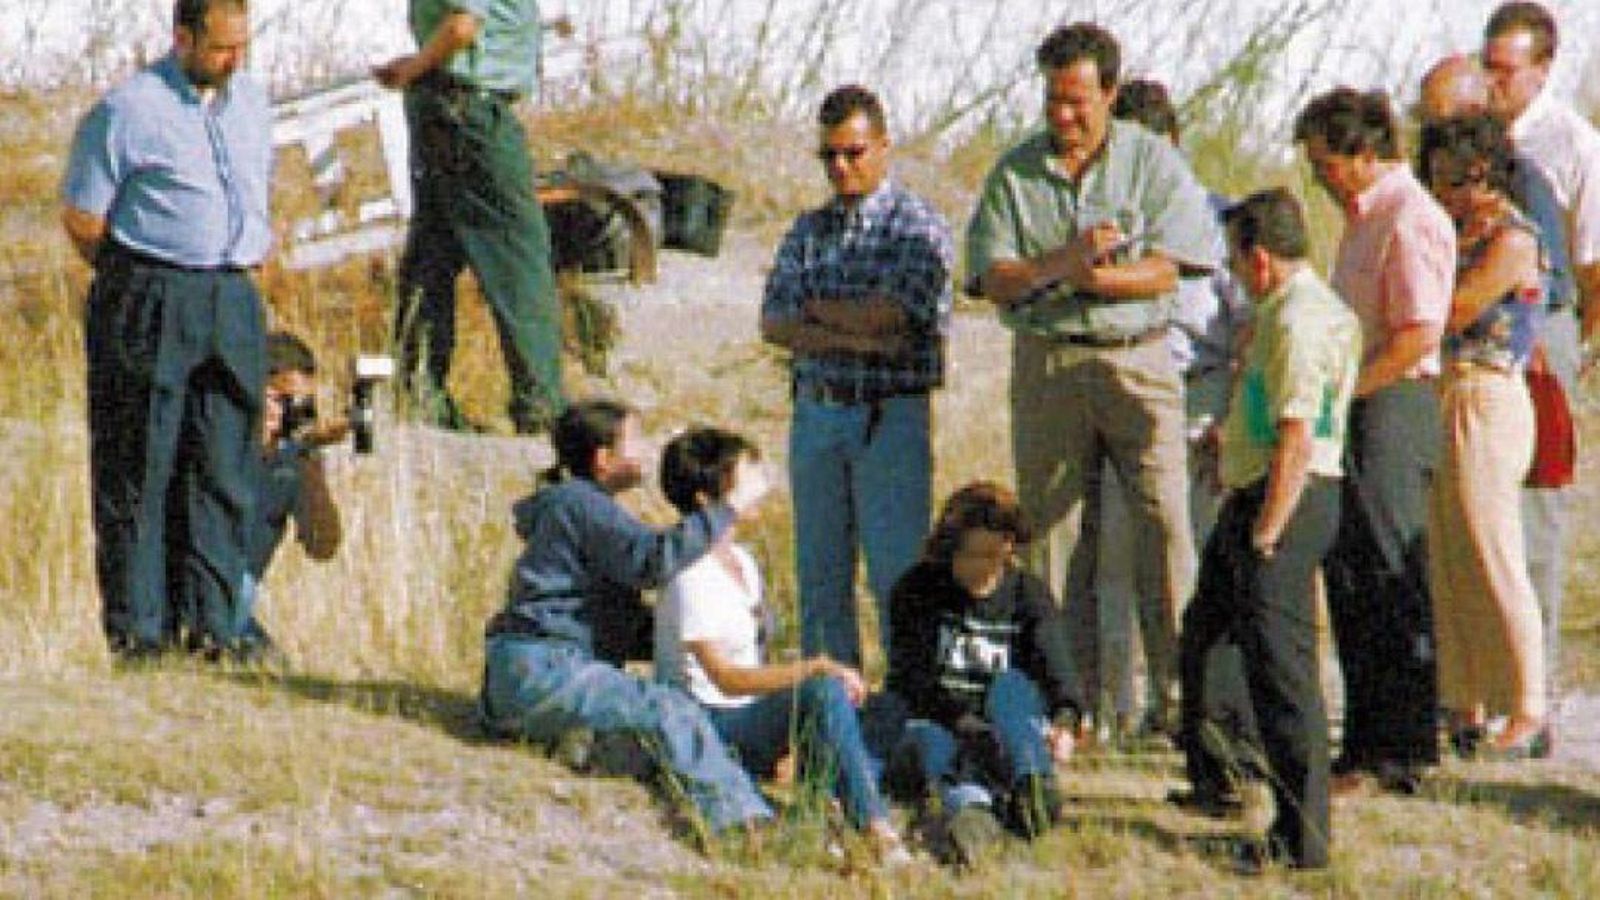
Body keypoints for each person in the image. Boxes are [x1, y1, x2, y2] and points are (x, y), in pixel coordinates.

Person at [966, 23, 1219, 726]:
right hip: (1050, 362)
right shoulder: (1015, 173)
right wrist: (1063, 268)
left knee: (1166, 524)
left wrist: (1098, 283)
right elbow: (994, 275)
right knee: (1048, 534)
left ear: (1110, 93)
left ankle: (1182, 704)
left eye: (1078, 101)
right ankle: (1062, 701)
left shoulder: (1150, 163)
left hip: (1138, 361)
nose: (1064, 116)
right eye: (1053, 100)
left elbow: (1177, 263)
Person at [61, 0, 271, 659]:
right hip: (153, 290)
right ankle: (140, 632)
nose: (233, 61)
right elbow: (82, 216)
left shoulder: (252, 104)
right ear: (182, 38)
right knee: (139, 464)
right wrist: (142, 277)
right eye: (219, 49)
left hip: (231, 293)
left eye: (243, 46)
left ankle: (214, 626)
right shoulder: (128, 110)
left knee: (224, 464)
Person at [478, 400, 775, 838]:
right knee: (670, 709)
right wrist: (728, 508)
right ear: (604, 459)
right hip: (545, 667)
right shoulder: (580, 504)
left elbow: (621, 621)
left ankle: (576, 745)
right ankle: (741, 826)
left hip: (527, 674)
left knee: (652, 739)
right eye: (635, 441)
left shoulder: (578, 509)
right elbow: (651, 560)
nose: (646, 450)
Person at [1177, 189, 1361, 873]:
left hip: (1287, 499)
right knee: (1207, 638)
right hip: (1257, 492)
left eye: (1234, 260)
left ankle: (1303, 838)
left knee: (1283, 671)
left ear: (1257, 259)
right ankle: (1225, 777)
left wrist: (1267, 531)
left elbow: (1297, 434)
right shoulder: (1289, 312)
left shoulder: (1298, 320)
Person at [1294, 88, 1455, 796]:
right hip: (1358, 404)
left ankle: (1405, 746)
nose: (1323, 178)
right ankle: (1364, 741)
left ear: (1364, 153)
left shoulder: (1410, 216)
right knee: (1350, 573)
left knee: (1391, 573)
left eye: (1329, 164)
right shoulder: (1361, 220)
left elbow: (1419, 333)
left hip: (1394, 401)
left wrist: (1346, 390)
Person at [760, 84, 954, 669]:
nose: (841, 167)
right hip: (818, 410)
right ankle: (830, 709)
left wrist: (820, 314)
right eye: (830, 156)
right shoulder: (809, 230)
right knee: (821, 575)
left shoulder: (916, 226)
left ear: (884, 147)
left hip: (887, 415)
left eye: (854, 152)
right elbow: (775, 320)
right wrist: (858, 338)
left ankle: (908, 709)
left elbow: (894, 315)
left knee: (897, 575)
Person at [653, 428, 910, 865]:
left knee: (881, 708)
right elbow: (726, 680)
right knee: (823, 690)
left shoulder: (743, 563)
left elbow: (756, 658)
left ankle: (822, 800)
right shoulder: (688, 573)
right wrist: (813, 670)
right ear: (705, 498)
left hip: (750, 710)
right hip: (712, 721)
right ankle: (873, 826)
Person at [1094, 78, 1251, 741]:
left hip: (1199, 400)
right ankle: (1109, 705)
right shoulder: (1107, 226)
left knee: (1184, 560)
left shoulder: (1221, 224)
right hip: (1123, 393)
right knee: (1112, 561)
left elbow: (1252, 330)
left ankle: (1185, 703)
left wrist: (1236, 422)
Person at [1482, 1, 1600, 753]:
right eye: (1487, 65)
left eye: (1507, 69)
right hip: (1478, 335)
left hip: (1547, 329)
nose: (1494, 82)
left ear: (1543, 67)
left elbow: (1593, 261)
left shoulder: (1572, 144)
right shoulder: (1472, 136)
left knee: (1536, 516)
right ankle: (1482, 692)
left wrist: (1573, 348)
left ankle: (1536, 696)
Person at [1417, 114, 1547, 758]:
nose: (1443, 188)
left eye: (1455, 177)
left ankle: (1527, 703)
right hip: (1442, 391)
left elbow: (1458, 307)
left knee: (1492, 545)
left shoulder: (1513, 236)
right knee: (1447, 551)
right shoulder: (1449, 230)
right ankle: (1465, 697)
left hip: (1488, 391)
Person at [374, 0, 565, 435]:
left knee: (433, 254)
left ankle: (421, 391)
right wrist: (415, 69)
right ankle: (541, 405)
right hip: (470, 111)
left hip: (447, 102)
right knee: (519, 256)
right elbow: (463, 26)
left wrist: (419, 67)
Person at [885, 482, 1082, 865]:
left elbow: (1059, 674)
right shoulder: (917, 590)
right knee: (934, 745)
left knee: (1011, 686)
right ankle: (972, 813)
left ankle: (1033, 789)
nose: (980, 567)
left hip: (1007, 726)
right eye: (969, 555)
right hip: (938, 720)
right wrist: (966, 725)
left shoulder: (1029, 595)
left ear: (1009, 547)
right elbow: (913, 680)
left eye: (991, 555)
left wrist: (1065, 722)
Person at [237, 331, 348, 655]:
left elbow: (322, 545)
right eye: (277, 398)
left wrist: (309, 461)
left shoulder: (290, 461)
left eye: (297, 405)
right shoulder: (215, 444)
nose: (283, 413)